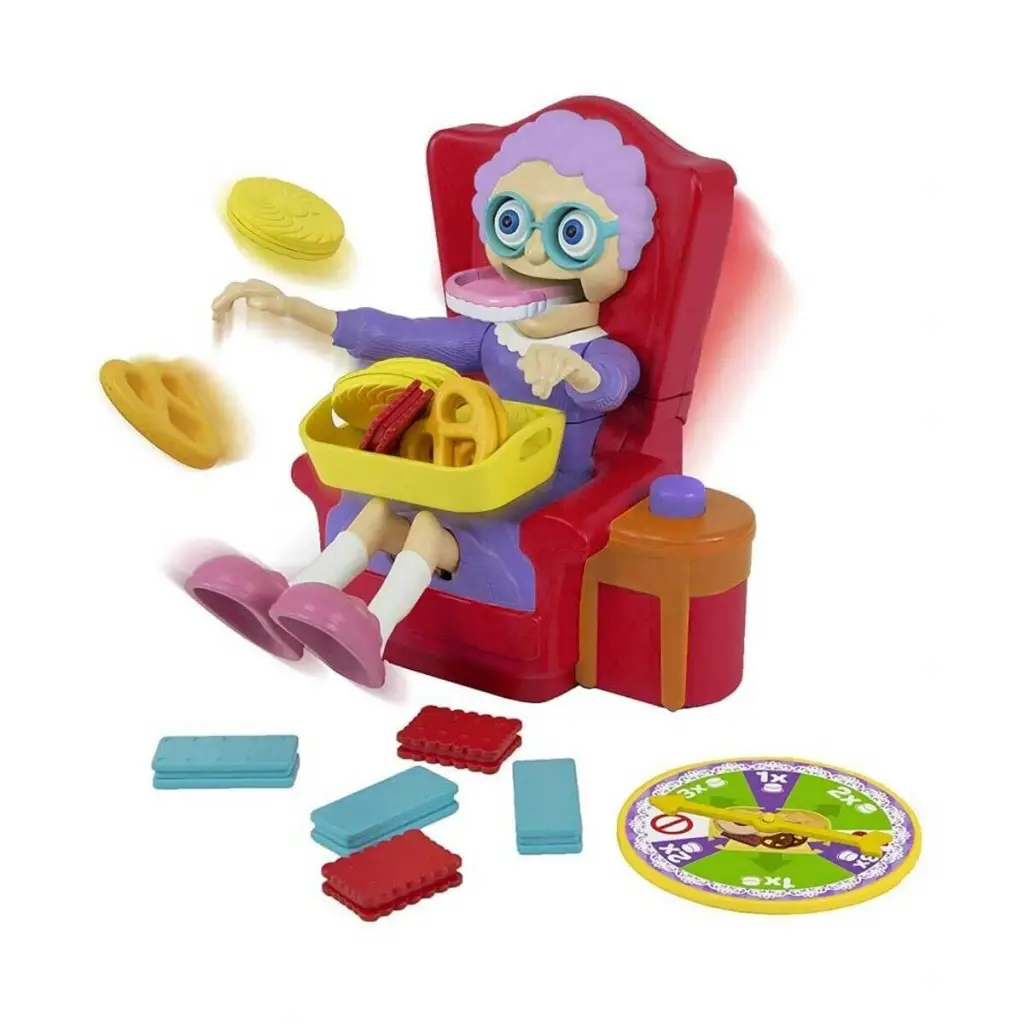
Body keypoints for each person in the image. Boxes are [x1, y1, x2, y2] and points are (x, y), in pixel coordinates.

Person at [189, 109, 657, 687]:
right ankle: (293, 598)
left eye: (570, 232)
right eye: (512, 222)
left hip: (545, 485)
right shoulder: (491, 337)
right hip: (466, 473)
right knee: (375, 507)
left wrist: (576, 373)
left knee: (431, 526)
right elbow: (393, 334)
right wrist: (294, 307)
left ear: (620, 247)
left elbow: (612, 386)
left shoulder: (599, 350)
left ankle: (375, 626)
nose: (535, 254)